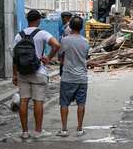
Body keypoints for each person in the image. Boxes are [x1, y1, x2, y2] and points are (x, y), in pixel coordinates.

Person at [12, 10, 60, 139]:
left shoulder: (18, 36)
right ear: (39, 20)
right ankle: (38, 131)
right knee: (38, 101)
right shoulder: (42, 33)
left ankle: (25, 132)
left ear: (27, 20)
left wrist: (14, 75)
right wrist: (48, 58)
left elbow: (14, 57)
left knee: (23, 101)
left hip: (22, 73)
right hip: (39, 71)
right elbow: (56, 45)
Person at [56, 16, 89, 137]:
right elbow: (85, 57)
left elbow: (60, 56)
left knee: (64, 103)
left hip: (67, 77)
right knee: (81, 103)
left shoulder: (65, 40)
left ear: (70, 26)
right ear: (81, 27)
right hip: (81, 77)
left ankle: (64, 129)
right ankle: (79, 128)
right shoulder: (85, 42)